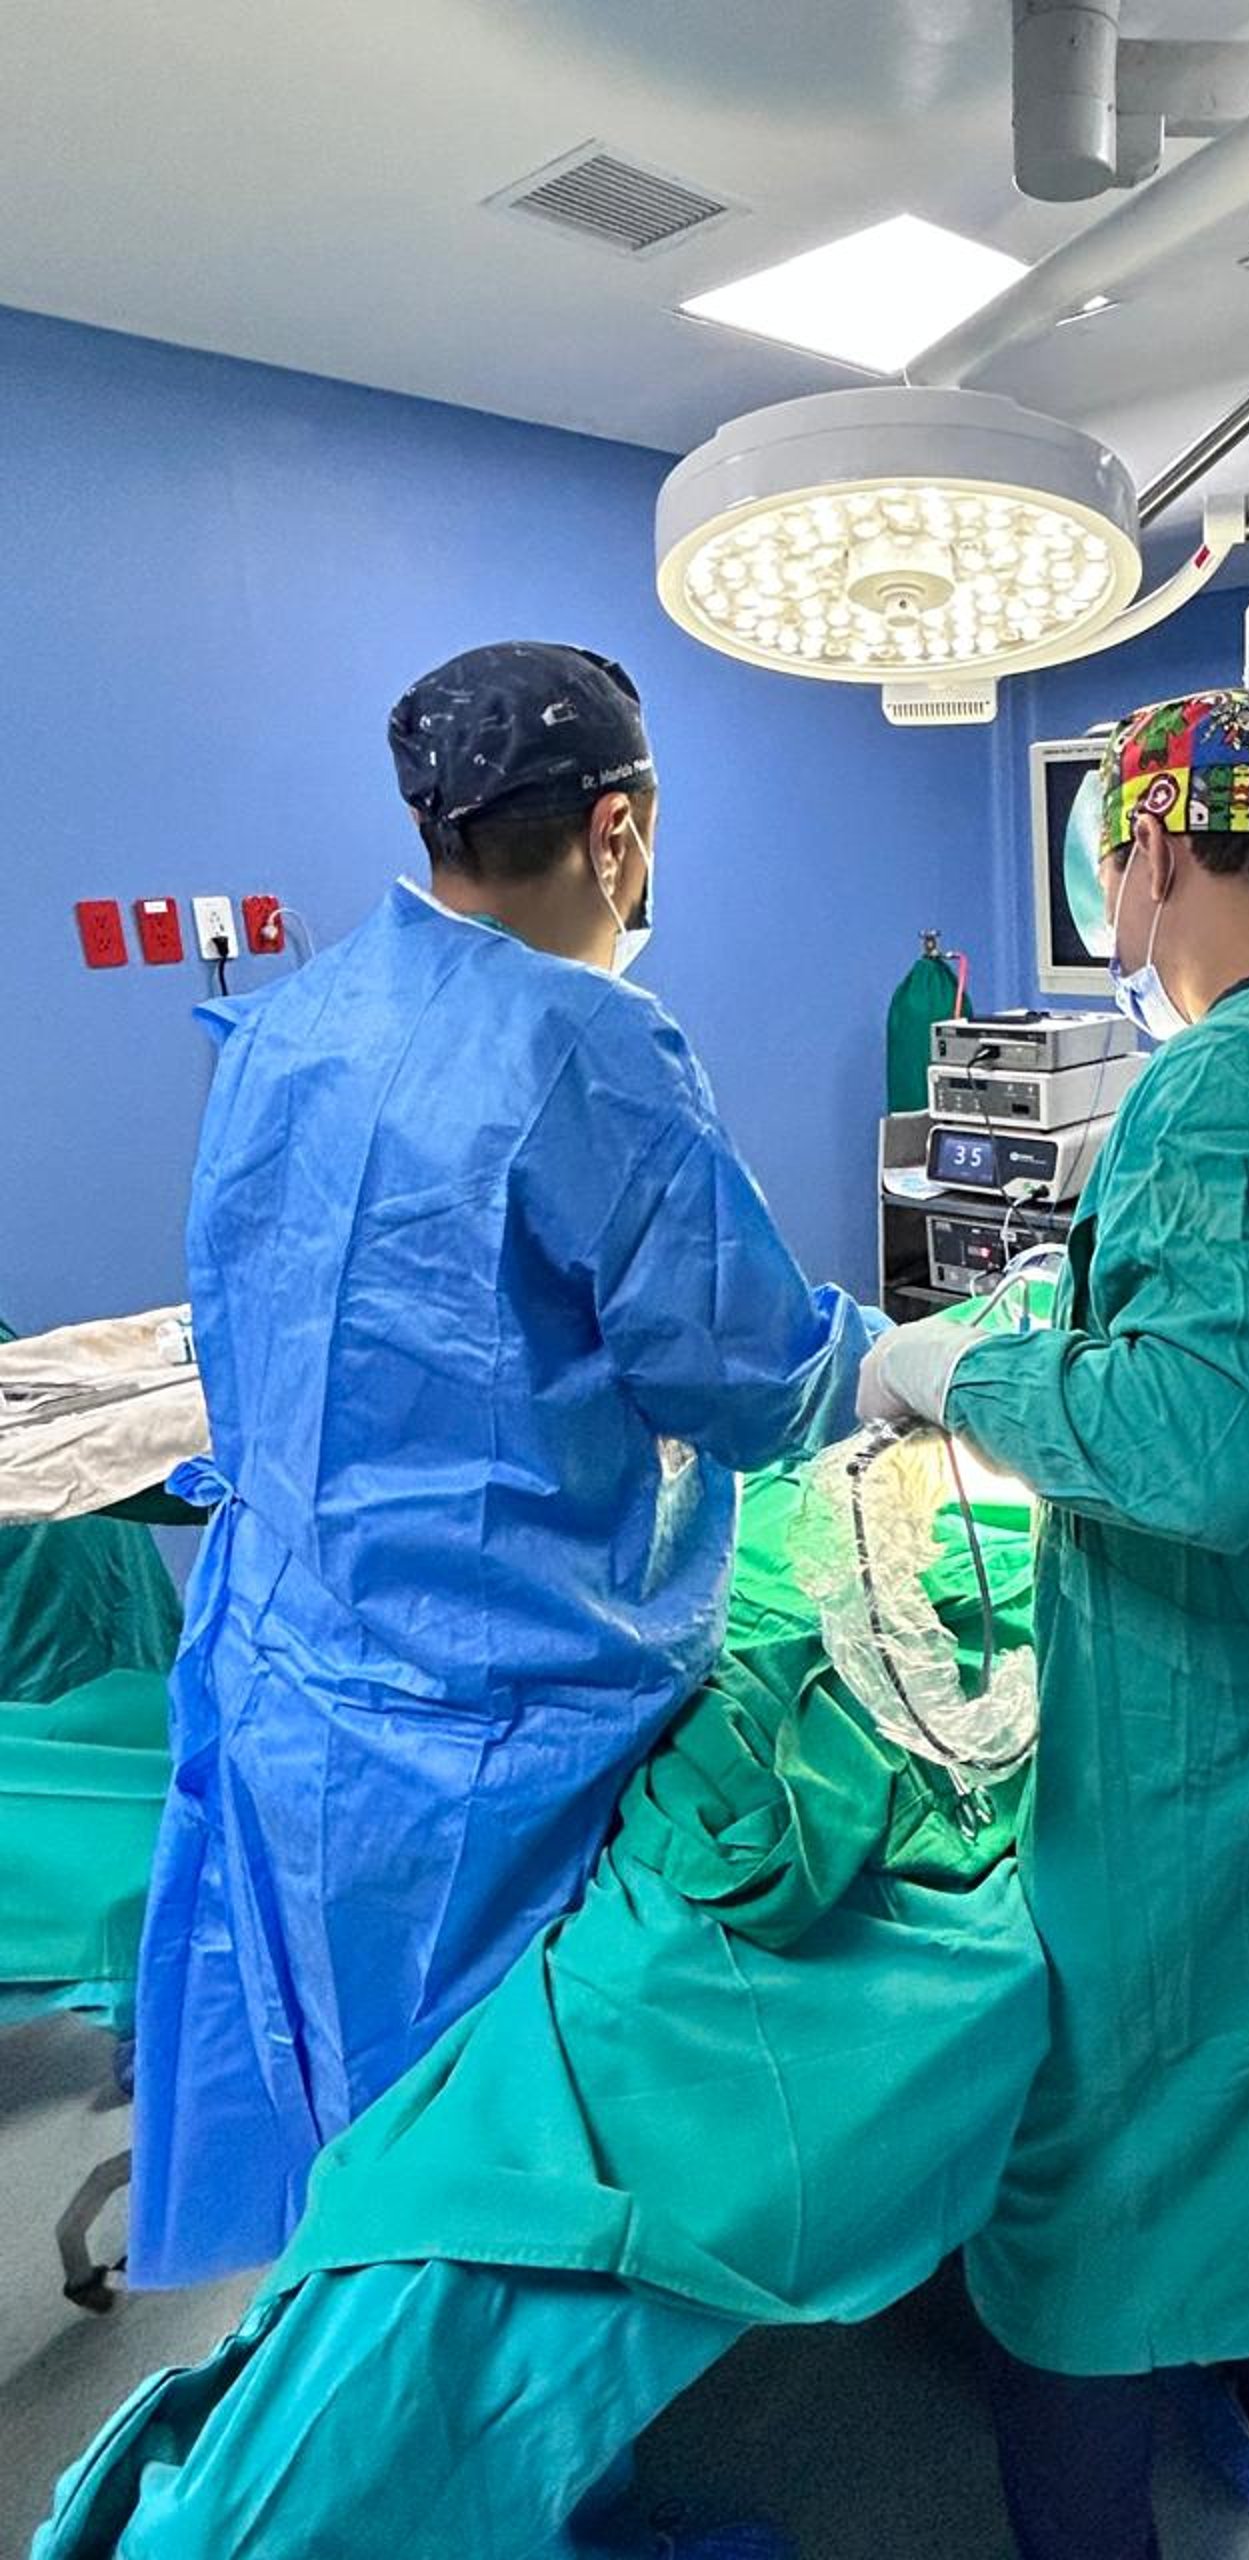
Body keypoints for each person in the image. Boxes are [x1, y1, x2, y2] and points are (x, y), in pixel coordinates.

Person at [132, 641, 875, 2290]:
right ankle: (510, 2508)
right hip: (489, 1738)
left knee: (344, 2132)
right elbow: (743, 1375)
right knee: (480, 2188)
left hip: (282, 1679)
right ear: (618, 831)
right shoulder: (586, 1047)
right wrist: (893, 1365)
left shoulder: (287, 1022)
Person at [860, 688, 1249, 2560]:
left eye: (1110, 867)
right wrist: (1074, 1297)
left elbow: (1204, 1451)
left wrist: (957, 1376)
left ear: (1144, 855)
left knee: (1088, 2150)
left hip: (1195, 1729)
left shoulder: (1229, 1079)